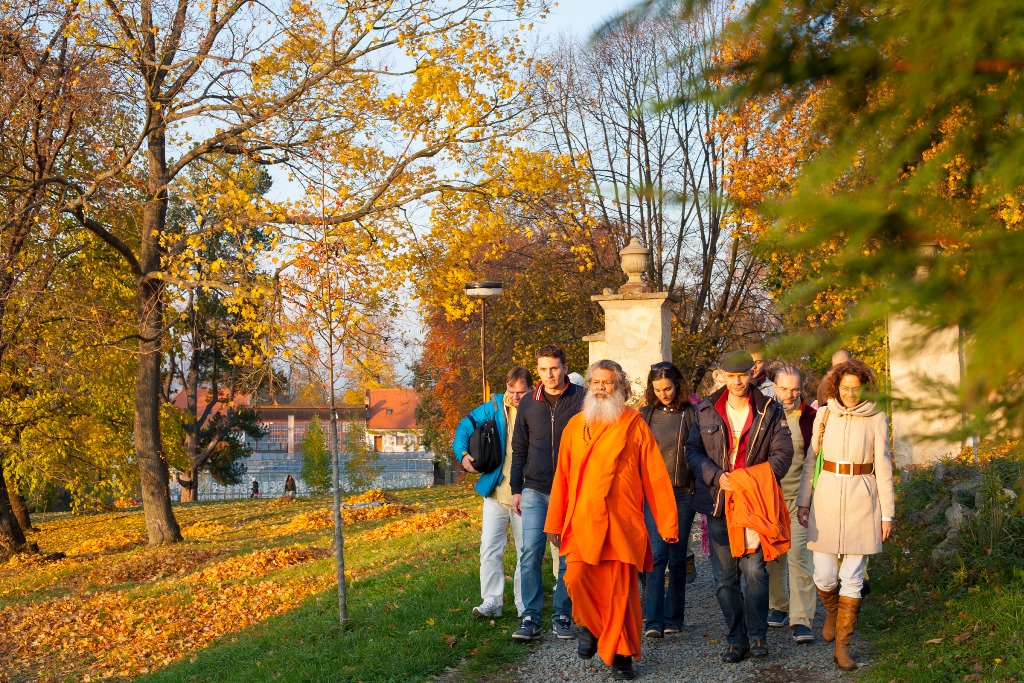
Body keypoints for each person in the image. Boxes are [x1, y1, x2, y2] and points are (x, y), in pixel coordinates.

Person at [545, 360, 679, 681]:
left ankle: (621, 657)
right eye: (596, 383)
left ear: (620, 388)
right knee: (575, 580)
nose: (601, 388)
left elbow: (656, 477)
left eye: (608, 383)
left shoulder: (634, 425)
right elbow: (562, 477)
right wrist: (554, 522)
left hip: (621, 523)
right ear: (589, 386)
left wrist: (668, 524)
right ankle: (590, 627)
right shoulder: (575, 426)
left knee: (620, 594)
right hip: (582, 522)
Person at [686, 350, 793, 663]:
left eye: (743, 375)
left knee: (756, 573)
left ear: (753, 373)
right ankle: (736, 638)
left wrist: (748, 480)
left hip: (753, 503)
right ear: (721, 375)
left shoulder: (770, 410)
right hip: (719, 504)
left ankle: (758, 635)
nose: (737, 381)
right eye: (731, 375)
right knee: (725, 579)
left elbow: (782, 455)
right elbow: (693, 452)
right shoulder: (705, 409)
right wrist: (717, 477)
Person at [797, 359, 894, 670]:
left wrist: (887, 515)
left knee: (850, 577)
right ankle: (833, 613)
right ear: (835, 388)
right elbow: (811, 460)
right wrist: (803, 501)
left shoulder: (877, 417)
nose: (851, 394)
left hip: (863, 499)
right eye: (845, 388)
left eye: (857, 388)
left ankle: (842, 648)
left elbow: (884, 467)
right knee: (824, 575)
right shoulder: (824, 415)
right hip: (825, 495)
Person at [509, 344, 586, 641]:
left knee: (567, 554)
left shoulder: (581, 399)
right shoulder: (528, 401)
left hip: (570, 491)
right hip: (535, 489)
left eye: (554, 368)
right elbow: (520, 448)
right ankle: (530, 617)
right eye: (542, 369)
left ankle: (562, 614)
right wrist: (517, 488)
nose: (549, 374)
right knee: (530, 551)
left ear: (565, 368)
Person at [452, 366, 533, 619]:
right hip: (496, 492)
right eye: (511, 391)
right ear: (505, 388)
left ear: (531, 389)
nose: (516, 397)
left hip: (527, 494)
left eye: (521, 391)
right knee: (489, 547)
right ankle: (491, 602)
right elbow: (465, 426)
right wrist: (463, 455)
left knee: (526, 552)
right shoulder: (495, 408)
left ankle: (525, 605)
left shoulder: (539, 410)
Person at [638, 361, 697, 638]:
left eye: (668, 388)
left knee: (676, 556)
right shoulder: (645, 415)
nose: (664, 393)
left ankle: (674, 617)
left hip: (683, 492)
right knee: (656, 554)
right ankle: (653, 619)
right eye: (658, 389)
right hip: (653, 494)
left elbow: (697, 451)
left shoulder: (691, 414)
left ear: (678, 385)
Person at [764, 366, 818, 643]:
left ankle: (802, 619)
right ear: (774, 387)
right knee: (774, 555)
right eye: (784, 388)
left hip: (801, 499)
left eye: (795, 388)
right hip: (771, 497)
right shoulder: (765, 415)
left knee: (800, 556)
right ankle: (778, 605)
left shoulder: (812, 417)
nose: (790, 394)